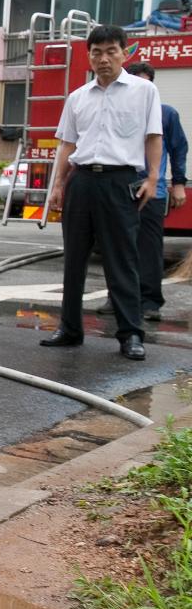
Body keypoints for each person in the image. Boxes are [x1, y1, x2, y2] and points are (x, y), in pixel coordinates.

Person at [42, 25, 162, 361]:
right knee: (74, 259)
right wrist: (58, 185)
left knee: (121, 260)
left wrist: (152, 178)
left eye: (111, 51)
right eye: (96, 52)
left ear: (125, 52)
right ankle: (69, 329)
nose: (104, 58)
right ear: (89, 56)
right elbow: (67, 144)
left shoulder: (143, 92)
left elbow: (154, 136)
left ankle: (130, 335)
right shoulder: (77, 97)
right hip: (81, 182)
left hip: (119, 182)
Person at [96, 62, 186, 321]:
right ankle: (116, 298)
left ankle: (150, 302)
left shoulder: (165, 114)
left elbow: (179, 148)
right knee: (116, 248)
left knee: (149, 249)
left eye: (144, 83)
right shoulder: (115, 112)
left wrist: (178, 182)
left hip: (152, 191)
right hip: (119, 190)